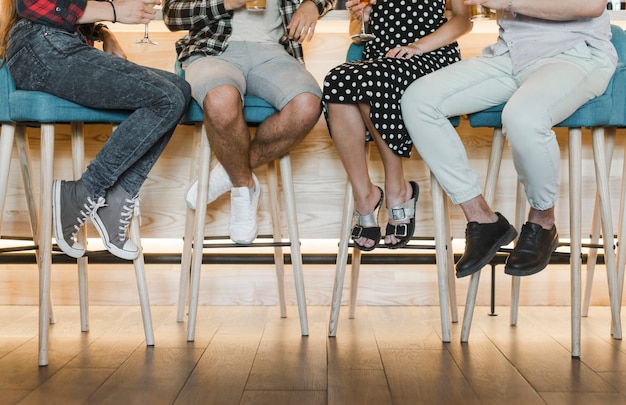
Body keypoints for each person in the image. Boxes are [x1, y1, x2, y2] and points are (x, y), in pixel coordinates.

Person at [401, 0, 616, 277]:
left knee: (523, 117)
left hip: (574, 54)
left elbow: (591, 6)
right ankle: (482, 219)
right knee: (418, 100)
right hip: (509, 55)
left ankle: (543, 222)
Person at [0, 0, 192, 260]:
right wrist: (114, 12)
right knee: (166, 99)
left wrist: (103, 33)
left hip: (62, 44)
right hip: (40, 46)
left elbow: (71, 9)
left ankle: (117, 198)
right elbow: (32, 4)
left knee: (179, 91)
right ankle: (83, 191)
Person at [163, 0, 333, 244]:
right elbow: (172, 15)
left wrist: (313, 5)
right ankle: (243, 186)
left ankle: (229, 171)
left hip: (275, 53)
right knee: (220, 99)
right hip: (214, 51)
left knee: (308, 104)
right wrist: (226, 3)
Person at [322, 0, 471, 251]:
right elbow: (356, 31)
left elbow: (462, 20)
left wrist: (416, 47)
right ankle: (365, 196)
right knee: (336, 80)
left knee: (371, 81)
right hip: (380, 57)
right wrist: (363, 15)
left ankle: (397, 188)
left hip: (429, 55)